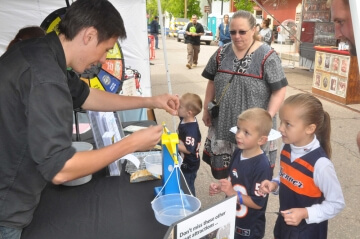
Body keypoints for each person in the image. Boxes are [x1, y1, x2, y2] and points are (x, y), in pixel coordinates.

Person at [0, 0, 179, 238]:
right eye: (106, 49)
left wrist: (151, 101)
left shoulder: (41, 52)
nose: (104, 60)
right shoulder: (45, 78)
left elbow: (88, 96)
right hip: (7, 209)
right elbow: (61, 170)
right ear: (89, 35)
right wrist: (132, 144)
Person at [202, 10, 287, 179]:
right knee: (228, 178)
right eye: (233, 32)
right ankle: (230, 200)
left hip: (254, 129)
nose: (237, 36)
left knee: (252, 179)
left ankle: (248, 203)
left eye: (242, 32)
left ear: (254, 29)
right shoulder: (221, 53)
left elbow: (279, 90)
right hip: (224, 123)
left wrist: (267, 119)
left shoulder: (267, 56)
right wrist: (206, 109)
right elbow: (211, 81)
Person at [259, 93, 345, 239]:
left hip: (308, 231)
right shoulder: (286, 148)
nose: (280, 128)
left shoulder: (321, 165)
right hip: (285, 224)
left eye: (287, 124)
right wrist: (275, 184)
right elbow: (287, 175)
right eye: (281, 122)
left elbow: (336, 203)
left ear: (310, 129)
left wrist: (305, 213)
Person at [209, 108, 273, 239]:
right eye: (238, 129)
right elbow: (232, 179)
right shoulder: (238, 152)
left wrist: (232, 193)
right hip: (232, 218)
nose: (238, 135)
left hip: (248, 228)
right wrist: (222, 186)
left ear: (261, 140)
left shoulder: (261, 166)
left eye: (246, 133)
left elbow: (258, 203)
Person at [177, 93, 202, 196]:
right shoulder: (185, 118)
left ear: (189, 112)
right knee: (182, 183)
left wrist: (172, 143)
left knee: (188, 188)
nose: (177, 107)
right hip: (184, 162)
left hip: (189, 165)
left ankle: (193, 209)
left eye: (180, 106)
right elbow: (177, 112)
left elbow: (188, 149)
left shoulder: (190, 131)